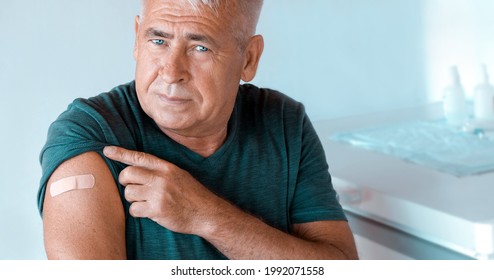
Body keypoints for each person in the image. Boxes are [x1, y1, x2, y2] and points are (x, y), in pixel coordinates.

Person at [37, 0, 358, 260]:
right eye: (158, 40)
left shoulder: (284, 124)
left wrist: (208, 216)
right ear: (137, 39)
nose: (171, 72)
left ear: (249, 58)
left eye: (199, 48)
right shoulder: (89, 132)